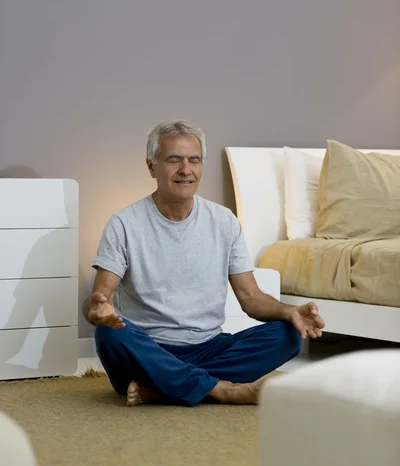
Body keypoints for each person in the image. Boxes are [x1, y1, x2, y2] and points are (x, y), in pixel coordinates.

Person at [83, 120, 325, 407]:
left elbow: (251, 298)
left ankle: (163, 389)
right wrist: (97, 311)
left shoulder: (224, 222)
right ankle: (224, 390)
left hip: (208, 347)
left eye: (194, 160)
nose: (186, 169)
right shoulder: (123, 224)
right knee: (110, 334)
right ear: (151, 166)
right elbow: (100, 300)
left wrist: (291, 312)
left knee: (288, 334)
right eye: (174, 160)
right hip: (149, 350)